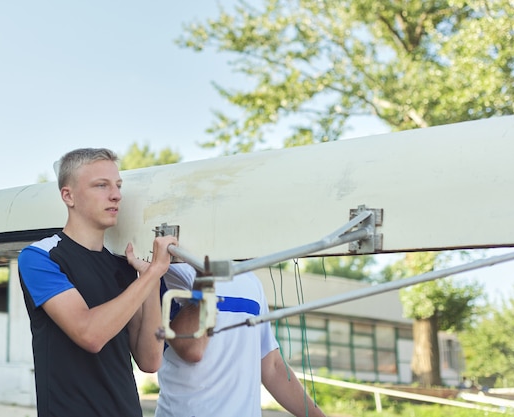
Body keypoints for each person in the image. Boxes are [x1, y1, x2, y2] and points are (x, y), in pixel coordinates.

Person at [18, 148, 177, 417]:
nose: (115, 195)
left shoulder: (122, 266)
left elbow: (150, 360)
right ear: (68, 196)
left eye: (117, 186)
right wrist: (151, 275)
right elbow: (90, 334)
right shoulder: (40, 257)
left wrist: (150, 277)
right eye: (101, 185)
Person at [155, 262, 327, 417]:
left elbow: (272, 366)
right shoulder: (169, 270)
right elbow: (192, 349)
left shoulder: (249, 279)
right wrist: (204, 283)